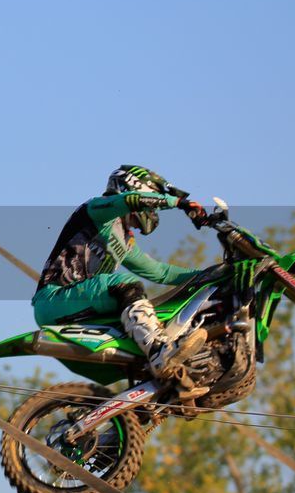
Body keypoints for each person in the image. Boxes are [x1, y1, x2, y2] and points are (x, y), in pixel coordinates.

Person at [33, 165, 209, 392]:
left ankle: (148, 392)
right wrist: (175, 202)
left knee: (149, 320)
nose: (152, 215)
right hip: (54, 299)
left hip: (85, 304)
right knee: (124, 285)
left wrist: (209, 275)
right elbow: (128, 201)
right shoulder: (97, 210)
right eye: (152, 199)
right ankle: (158, 351)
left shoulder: (125, 239)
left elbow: (160, 272)